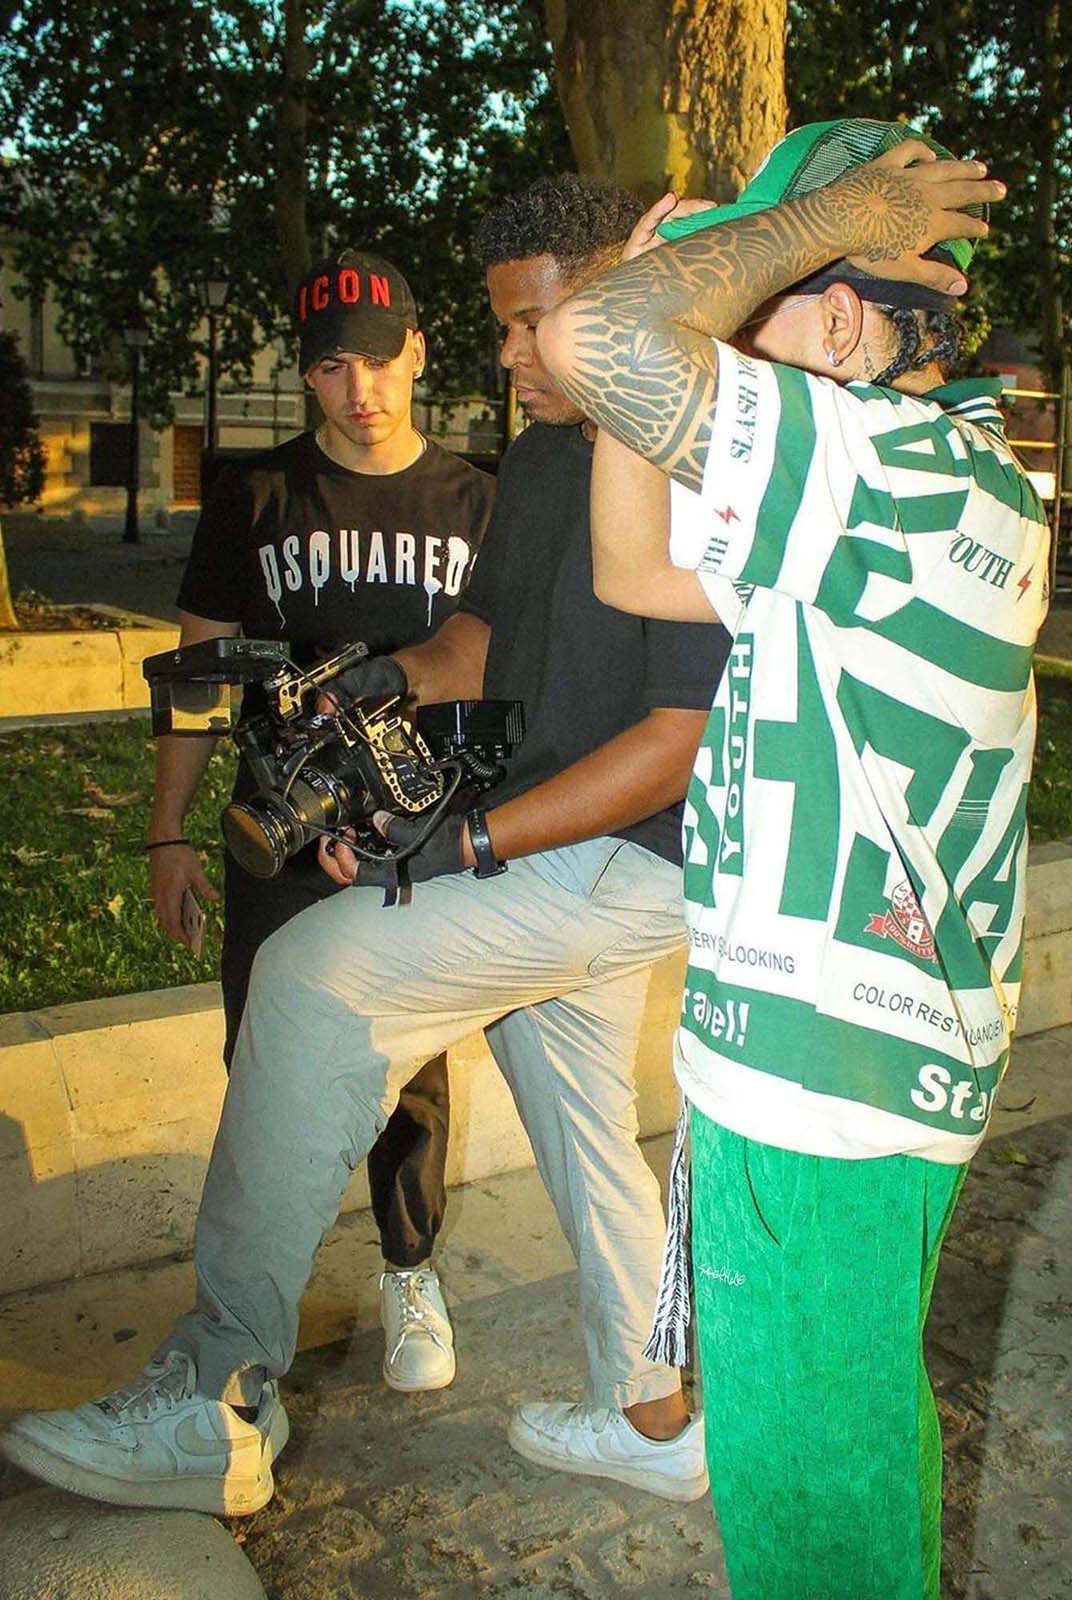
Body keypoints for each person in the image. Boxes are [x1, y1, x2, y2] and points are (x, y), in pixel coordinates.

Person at [2, 176, 730, 1517]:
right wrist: (387, 681)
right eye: (501, 326)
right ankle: (653, 1417)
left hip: (634, 851)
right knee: (578, 1105)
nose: (509, 354)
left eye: (532, 323)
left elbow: (674, 745)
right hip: (563, 835)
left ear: (619, 304)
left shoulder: (697, 454)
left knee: (312, 978)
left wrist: (463, 846)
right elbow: (486, 639)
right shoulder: (546, 454)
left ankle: (212, 1398)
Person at [537, 119, 1041, 1599]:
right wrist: (659, 325)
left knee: (819, 1516)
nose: (712, 333)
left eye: (748, 299)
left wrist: (821, 222)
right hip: (828, 1067)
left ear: (839, 313)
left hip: (830, 1091)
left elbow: (593, 341)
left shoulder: (899, 473)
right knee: (831, 1458)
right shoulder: (900, 490)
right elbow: (636, 571)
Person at [146, 248, 494, 1395]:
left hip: (415, 834)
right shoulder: (254, 497)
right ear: (304, 374)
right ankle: (248, 1316)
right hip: (281, 829)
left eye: (380, 361)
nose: (361, 388)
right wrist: (167, 831)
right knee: (264, 1068)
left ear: (419, 352)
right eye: (334, 367)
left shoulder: (477, 501)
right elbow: (195, 680)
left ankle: (409, 1268)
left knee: (412, 1068)